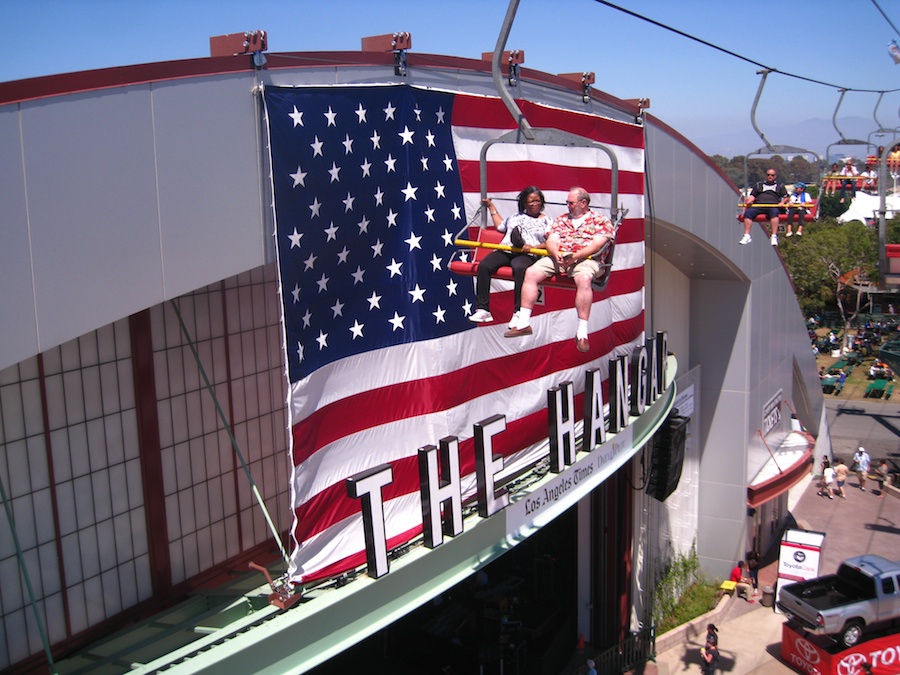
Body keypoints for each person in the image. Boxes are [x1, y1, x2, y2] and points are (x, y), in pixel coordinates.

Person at [505, 187, 616, 353]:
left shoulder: (600, 221)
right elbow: (552, 239)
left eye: (571, 203)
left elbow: (596, 245)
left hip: (586, 260)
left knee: (584, 279)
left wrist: (576, 256)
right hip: (560, 256)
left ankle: (582, 332)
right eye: (567, 203)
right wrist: (555, 252)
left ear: (583, 203)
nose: (568, 206)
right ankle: (523, 323)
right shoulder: (562, 219)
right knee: (531, 272)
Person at [469, 187, 551, 327]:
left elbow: (551, 241)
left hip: (528, 253)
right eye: (531, 201)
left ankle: (518, 311)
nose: (535, 204)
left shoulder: (547, 221)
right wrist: (491, 207)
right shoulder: (515, 217)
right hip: (507, 249)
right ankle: (483, 309)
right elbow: (500, 225)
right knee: (484, 265)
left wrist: (534, 248)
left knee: (520, 268)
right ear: (524, 203)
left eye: (537, 201)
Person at [739, 169, 788, 246]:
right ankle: (747, 235)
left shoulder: (780, 186)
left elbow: (786, 197)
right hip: (759, 205)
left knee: (774, 213)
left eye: (772, 175)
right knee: (748, 213)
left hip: (772, 206)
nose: (770, 177)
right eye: (768, 175)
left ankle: (774, 236)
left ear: (775, 176)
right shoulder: (759, 185)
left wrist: (782, 202)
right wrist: (749, 200)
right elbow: (753, 195)